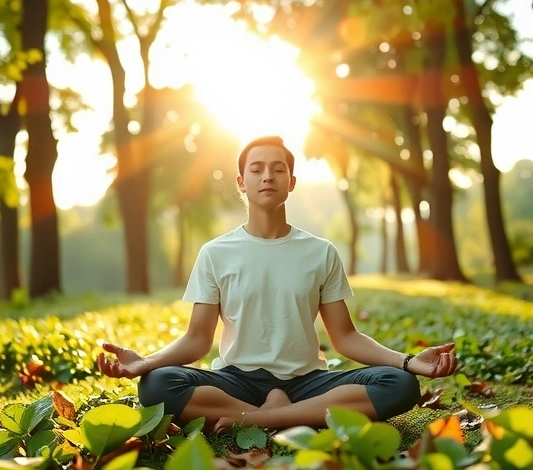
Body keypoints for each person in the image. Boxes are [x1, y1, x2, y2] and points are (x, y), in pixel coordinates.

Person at [96, 135, 459, 432]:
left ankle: (264, 419)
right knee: (158, 385)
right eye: (256, 169)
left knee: (400, 385)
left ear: (291, 181)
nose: (267, 176)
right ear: (242, 182)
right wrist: (146, 363)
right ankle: (300, 417)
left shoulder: (320, 252)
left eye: (277, 169)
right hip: (237, 381)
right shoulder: (215, 253)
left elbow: (345, 337)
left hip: (307, 381)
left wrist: (409, 362)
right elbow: (197, 340)